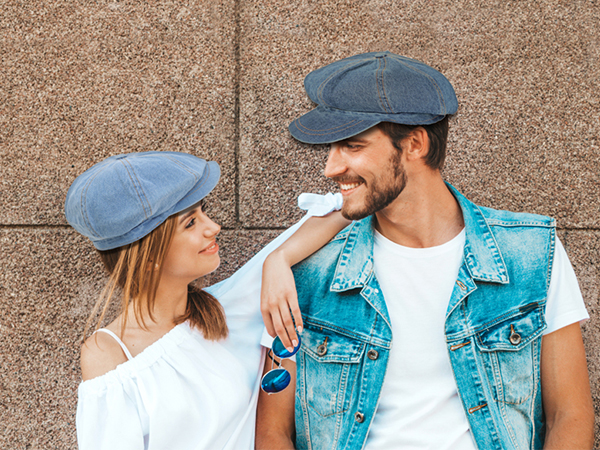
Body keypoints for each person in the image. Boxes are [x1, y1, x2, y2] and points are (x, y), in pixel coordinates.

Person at [256, 52, 594, 450]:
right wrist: (276, 257)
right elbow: (273, 431)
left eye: (351, 146)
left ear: (414, 143)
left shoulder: (530, 252)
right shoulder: (306, 270)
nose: (331, 168)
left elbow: (569, 415)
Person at [65, 151, 349, 450]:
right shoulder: (109, 352)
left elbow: (338, 213)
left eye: (204, 212)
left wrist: (279, 259)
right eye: (190, 223)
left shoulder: (227, 307)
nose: (213, 227)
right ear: (149, 257)